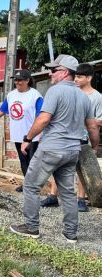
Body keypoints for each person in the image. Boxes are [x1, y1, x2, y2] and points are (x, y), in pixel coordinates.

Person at [10, 54, 99, 243]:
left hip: (52, 148)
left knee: (31, 186)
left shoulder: (55, 91)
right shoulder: (84, 97)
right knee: (68, 192)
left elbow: (43, 119)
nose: (50, 74)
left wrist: (28, 138)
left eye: (53, 70)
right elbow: (92, 127)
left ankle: (31, 227)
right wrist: (94, 148)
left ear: (64, 72)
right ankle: (70, 233)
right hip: (72, 151)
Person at [41, 63, 102, 211]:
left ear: (89, 78)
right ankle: (53, 196)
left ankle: (81, 199)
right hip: (64, 137)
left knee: (81, 169)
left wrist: (85, 120)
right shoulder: (70, 92)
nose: (76, 79)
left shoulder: (97, 97)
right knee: (57, 166)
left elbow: (99, 120)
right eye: (76, 76)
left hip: (83, 138)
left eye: (80, 77)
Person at [0, 69, 43, 192]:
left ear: (27, 80)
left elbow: (40, 116)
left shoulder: (35, 96)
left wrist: (37, 134)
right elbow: (2, 110)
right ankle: (28, 185)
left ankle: (33, 187)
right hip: (18, 134)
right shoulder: (11, 95)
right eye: (16, 80)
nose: (17, 82)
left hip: (31, 135)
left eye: (20, 80)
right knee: (23, 161)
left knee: (32, 162)